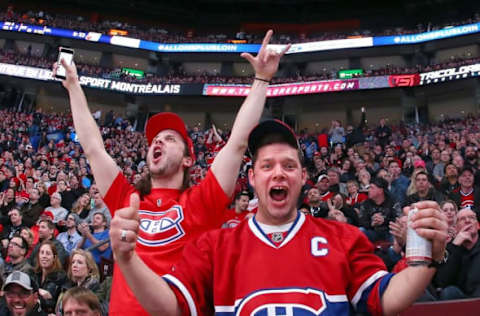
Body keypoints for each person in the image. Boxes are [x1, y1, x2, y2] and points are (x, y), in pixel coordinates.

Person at [55, 30, 288, 315]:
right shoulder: (127, 199)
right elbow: (93, 148)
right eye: (154, 139)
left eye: (169, 138)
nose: (158, 142)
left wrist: (261, 79)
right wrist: (73, 86)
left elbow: (238, 142)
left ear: (188, 160)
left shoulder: (203, 201)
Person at [110, 119, 448, 316]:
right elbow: (169, 307)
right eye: (267, 166)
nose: (278, 174)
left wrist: (426, 259)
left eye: (288, 166)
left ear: (302, 176)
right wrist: (126, 259)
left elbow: (386, 299)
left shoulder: (342, 239)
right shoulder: (215, 246)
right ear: (253, 178)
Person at [434, 208, 480, 299]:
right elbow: (443, 282)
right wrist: (455, 246)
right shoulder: (450, 249)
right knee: (449, 292)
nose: (467, 221)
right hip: (461, 302)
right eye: (462, 219)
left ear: (478, 225)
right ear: (456, 228)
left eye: (471, 217)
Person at [33, 240, 67, 313]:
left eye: (48, 253)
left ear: (54, 257)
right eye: (42, 253)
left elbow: (61, 306)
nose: (44, 256)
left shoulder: (61, 277)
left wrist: (50, 299)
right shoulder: (35, 275)